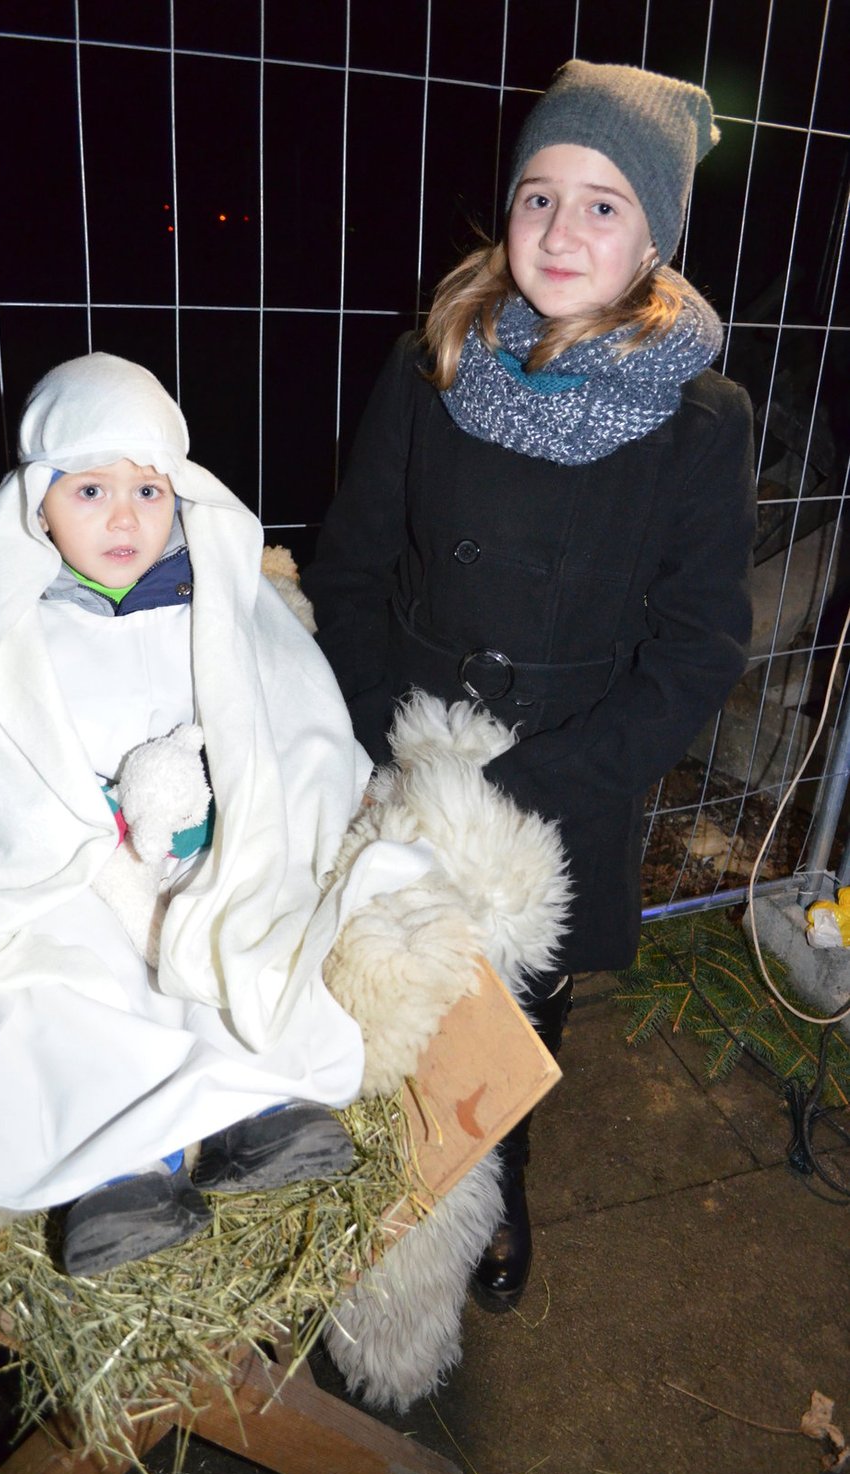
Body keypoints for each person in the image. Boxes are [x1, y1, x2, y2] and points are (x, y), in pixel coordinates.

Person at [303, 60, 756, 1310]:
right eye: (539, 195)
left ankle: (499, 1176)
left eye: (603, 204)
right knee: (376, 978)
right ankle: (359, 1190)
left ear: (655, 234)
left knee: (516, 1009)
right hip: (408, 743)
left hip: (564, 769)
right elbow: (354, 566)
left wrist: (545, 779)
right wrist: (382, 728)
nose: (562, 229)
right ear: (505, 210)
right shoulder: (433, 364)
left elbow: (700, 643)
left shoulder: (701, 421)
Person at [0, 352, 413, 1277]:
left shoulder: (213, 595)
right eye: (89, 490)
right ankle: (124, 1168)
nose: (124, 517)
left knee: (239, 924)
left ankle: (260, 1112)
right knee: (64, 972)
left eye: (148, 490)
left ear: (181, 494)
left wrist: (268, 805)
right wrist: (64, 832)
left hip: (191, 842)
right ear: (38, 501)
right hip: (64, 860)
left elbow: (290, 712)